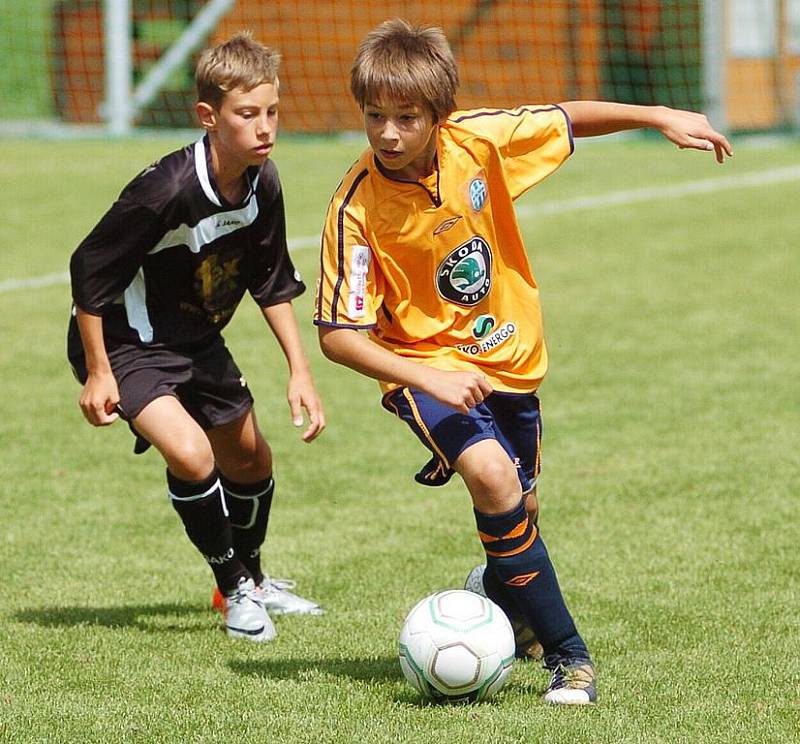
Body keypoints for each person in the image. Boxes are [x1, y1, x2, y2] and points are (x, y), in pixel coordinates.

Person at [314, 18, 731, 703]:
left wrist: (658, 114)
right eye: (375, 116)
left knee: (520, 507)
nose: (387, 134)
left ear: (438, 115)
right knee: (492, 480)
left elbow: (566, 117)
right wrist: (427, 376)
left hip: (511, 360)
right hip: (424, 368)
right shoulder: (355, 210)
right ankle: (571, 659)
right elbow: (339, 334)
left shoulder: (477, 142)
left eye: (406, 118)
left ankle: (499, 595)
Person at [68, 32, 326, 643]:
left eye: (272, 112)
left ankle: (255, 579)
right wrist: (101, 371)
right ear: (209, 117)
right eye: (247, 115)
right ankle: (234, 588)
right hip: (126, 341)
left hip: (196, 339)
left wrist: (300, 370)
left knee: (251, 458)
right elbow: (88, 269)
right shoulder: (166, 190)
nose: (265, 128)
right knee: (190, 454)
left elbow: (271, 279)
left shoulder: (264, 182)